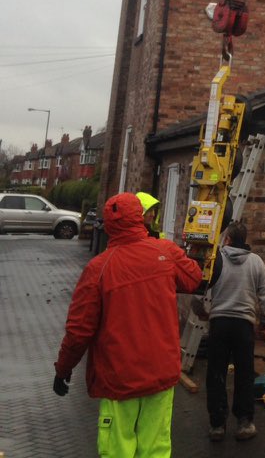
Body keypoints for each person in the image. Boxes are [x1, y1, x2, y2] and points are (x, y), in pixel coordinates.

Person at [53, 192, 202, 457]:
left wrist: (63, 368)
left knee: (119, 449)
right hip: (162, 373)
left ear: (108, 225)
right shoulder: (164, 251)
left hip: (120, 379)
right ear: (141, 218)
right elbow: (194, 278)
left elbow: (79, 331)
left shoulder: (99, 268)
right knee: (156, 449)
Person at [206, 220, 265, 442]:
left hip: (219, 323)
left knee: (216, 373)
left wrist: (203, 311)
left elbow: (201, 287)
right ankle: (245, 422)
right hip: (244, 325)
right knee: (244, 374)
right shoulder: (256, 262)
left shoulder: (216, 260)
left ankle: (217, 424)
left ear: (228, 239)